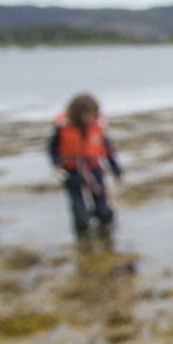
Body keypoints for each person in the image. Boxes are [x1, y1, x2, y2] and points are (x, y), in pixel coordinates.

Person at [48, 92, 121, 237]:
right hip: (71, 172)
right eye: (84, 114)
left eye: (91, 114)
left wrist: (115, 168)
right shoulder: (62, 129)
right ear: (75, 114)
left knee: (104, 211)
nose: (88, 118)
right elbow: (52, 148)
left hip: (94, 170)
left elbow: (107, 149)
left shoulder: (97, 128)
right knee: (79, 214)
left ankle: (107, 236)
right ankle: (83, 238)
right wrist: (56, 164)